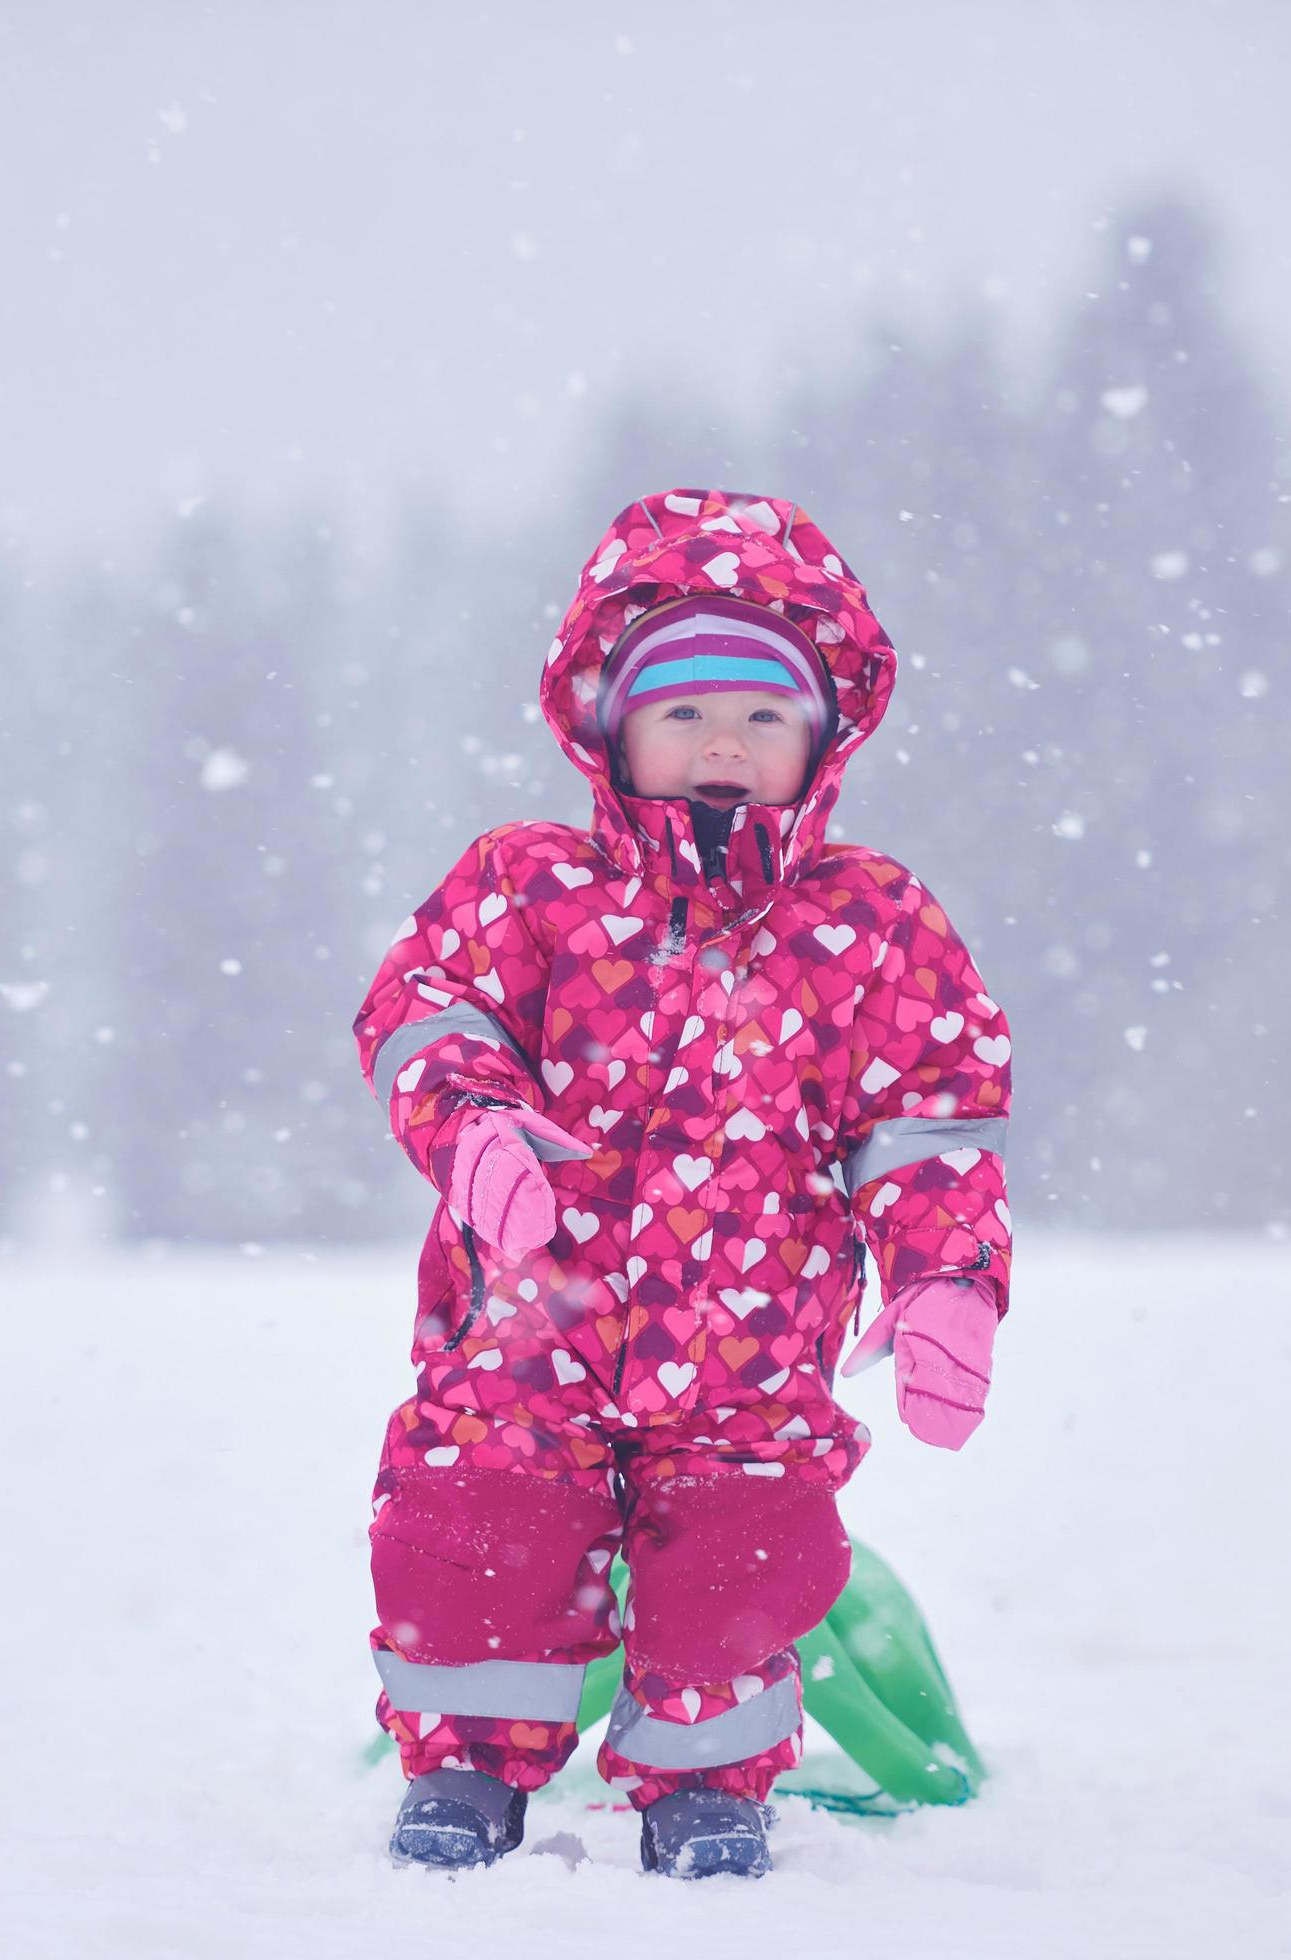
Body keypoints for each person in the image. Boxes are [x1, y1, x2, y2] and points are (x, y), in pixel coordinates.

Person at [354, 489, 1013, 1878]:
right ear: (609, 730)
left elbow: (930, 1125)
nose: (725, 742)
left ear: (821, 742)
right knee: (476, 1528)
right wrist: (469, 1126)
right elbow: (426, 1010)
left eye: (764, 717)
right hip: (525, 1322)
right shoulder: (530, 886)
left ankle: (705, 1781)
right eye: (685, 713)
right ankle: (469, 1768)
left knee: (738, 1557)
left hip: (754, 1346)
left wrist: (948, 1279)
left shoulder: (868, 921)